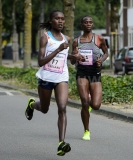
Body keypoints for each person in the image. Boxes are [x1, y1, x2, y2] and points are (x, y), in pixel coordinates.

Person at [24, 10, 84, 156]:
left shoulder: (66, 39)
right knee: (44, 109)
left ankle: (61, 143)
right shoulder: (45, 38)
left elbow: (66, 58)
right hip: (46, 78)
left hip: (61, 78)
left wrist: (76, 57)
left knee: (62, 108)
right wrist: (58, 49)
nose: (61, 21)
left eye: (63, 19)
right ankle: (32, 104)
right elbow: (40, 62)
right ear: (51, 21)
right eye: (57, 19)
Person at [71, 15, 108, 141]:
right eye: (85, 22)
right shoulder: (76, 41)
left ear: (92, 25)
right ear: (81, 25)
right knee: (84, 103)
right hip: (82, 73)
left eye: (90, 22)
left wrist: (101, 61)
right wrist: (75, 57)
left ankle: (91, 102)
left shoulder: (99, 39)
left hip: (95, 73)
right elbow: (71, 60)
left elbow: (106, 53)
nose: (88, 24)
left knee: (96, 105)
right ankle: (86, 130)